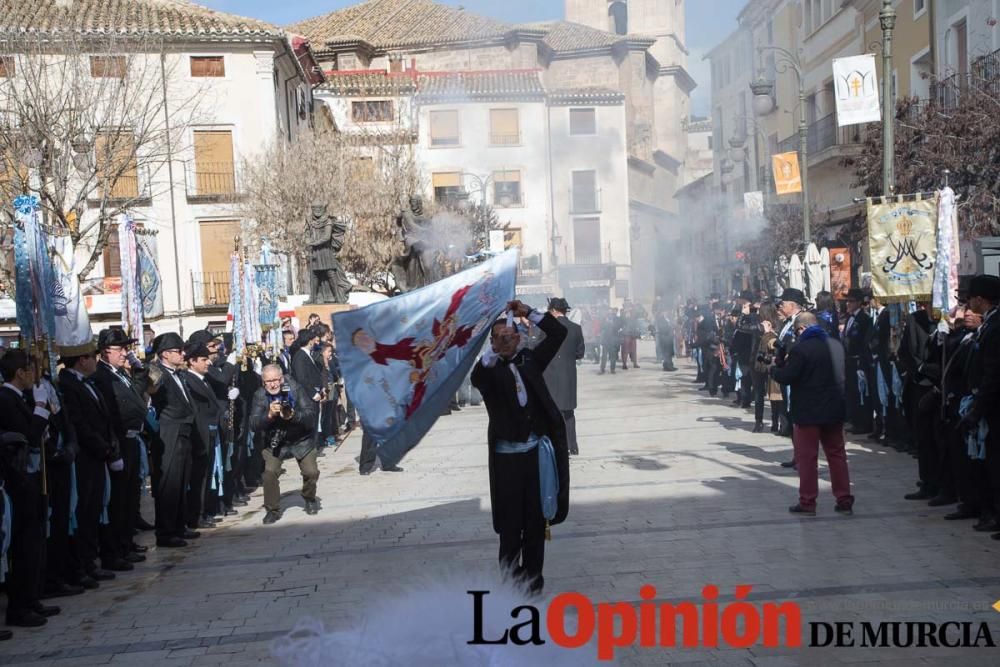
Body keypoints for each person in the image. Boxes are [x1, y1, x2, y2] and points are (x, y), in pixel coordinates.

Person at [471, 300, 569, 593]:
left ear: (519, 337)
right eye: (498, 337)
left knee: (536, 525)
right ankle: (511, 586)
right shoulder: (488, 370)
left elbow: (558, 335)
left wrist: (529, 312)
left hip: (536, 458)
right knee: (511, 530)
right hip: (508, 464)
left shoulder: (529, 361)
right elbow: (478, 378)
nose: (505, 340)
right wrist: (493, 351)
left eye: (509, 336)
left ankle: (534, 583)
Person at [771, 312, 854, 516]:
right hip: (834, 408)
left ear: (801, 329)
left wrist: (774, 369)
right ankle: (844, 498)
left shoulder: (801, 349)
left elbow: (788, 376)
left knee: (807, 457)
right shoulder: (836, 345)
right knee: (837, 455)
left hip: (808, 412)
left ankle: (808, 501)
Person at [0, 349, 59, 628]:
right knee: (23, 545)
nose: (36, 376)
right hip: (19, 481)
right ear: (20, 373)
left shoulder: (18, 397)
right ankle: (20, 606)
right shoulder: (6, 399)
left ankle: (31, 598)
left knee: (35, 541)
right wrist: (39, 410)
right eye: (31, 370)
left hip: (34, 478)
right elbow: (29, 438)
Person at [92, 329, 149, 570]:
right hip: (120, 441)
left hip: (133, 440)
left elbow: (138, 393)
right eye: (122, 349)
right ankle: (115, 550)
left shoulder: (120, 373)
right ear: (106, 352)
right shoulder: (103, 376)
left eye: (127, 349)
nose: (126, 353)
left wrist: (138, 368)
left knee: (129, 497)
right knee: (118, 500)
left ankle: (126, 543)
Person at [249, 365, 320, 524]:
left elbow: (310, 415)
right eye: (268, 381)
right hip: (275, 442)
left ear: (281, 379)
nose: (273, 384)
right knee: (269, 473)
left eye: (275, 380)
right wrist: (269, 415)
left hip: (301, 439)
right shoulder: (259, 396)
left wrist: (293, 415)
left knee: (311, 472)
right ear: (263, 382)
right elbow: (253, 423)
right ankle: (272, 509)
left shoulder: (295, 388)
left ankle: (309, 498)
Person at [149, 332, 198, 548]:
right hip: (169, 432)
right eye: (179, 351)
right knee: (169, 482)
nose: (183, 354)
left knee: (181, 481)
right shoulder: (158, 372)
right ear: (166, 354)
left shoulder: (179, 374)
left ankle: (179, 525)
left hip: (184, 430)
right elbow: (151, 387)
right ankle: (166, 532)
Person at [960, 274, 1000, 538]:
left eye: (971, 298)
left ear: (980, 299)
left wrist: (978, 408)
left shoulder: (995, 327)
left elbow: (993, 373)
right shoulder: (988, 325)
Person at [541, 298, 585, 456]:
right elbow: (580, 353)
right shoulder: (576, 328)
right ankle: (572, 445)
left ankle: (557, 444)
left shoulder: (546, 329)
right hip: (568, 377)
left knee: (552, 413)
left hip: (549, 376)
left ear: (553, 310)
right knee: (568, 413)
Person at [843, 288, 875, 435]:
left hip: (859, 361)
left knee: (862, 392)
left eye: (851, 301)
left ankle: (864, 423)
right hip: (849, 361)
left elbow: (864, 342)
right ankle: (855, 420)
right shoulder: (849, 318)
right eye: (847, 301)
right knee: (852, 393)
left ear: (859, 302)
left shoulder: (864, 318)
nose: (848, 304)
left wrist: (862, 361)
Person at [752, 303, 784, 434]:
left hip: (770, 362)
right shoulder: (758, 325)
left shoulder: (778, 325)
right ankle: (759, 421)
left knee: (774, 394)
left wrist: (768, 332)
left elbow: (774, 345)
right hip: (759, 364)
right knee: (759, 393)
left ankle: (775, 421)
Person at [599, 307, 622, 375]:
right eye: (608, 312)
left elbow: (618, 327)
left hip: (613, 340)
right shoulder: (604, 319)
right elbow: (601, 327)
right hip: (606, 340)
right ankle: (602, 369)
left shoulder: (617, 319)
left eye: (611, 312)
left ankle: (612, 369)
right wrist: (606, 323)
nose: (610, 314)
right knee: (604, 356)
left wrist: (612, 324)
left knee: (613, 356)